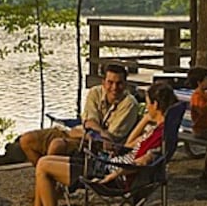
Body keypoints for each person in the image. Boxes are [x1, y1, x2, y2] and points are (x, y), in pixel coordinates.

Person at [33, 82, 178, 206]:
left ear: (156, 104)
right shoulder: (160, 130)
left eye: (147, 104)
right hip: (106, 164)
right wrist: (145, 120)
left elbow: (142, 162)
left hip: (112, 176)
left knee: (43, 167)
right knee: (42, 162)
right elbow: (128, 145)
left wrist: (114, 175)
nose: (147, 107)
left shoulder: (158, 136)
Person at [19, 64, 139, 165]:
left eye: (119, 83)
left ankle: (52, 182)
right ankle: (48, 181)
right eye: (110, 82)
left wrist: (92, 130)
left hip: (95, 146)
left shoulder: (129, 104)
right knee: (26, 140)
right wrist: (98, 131)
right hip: (79, 133)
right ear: (103, 82)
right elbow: (89, 122)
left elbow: (109, 140)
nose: (114, 87)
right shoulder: (95, 92)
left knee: (56, 145)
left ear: (125, 84)